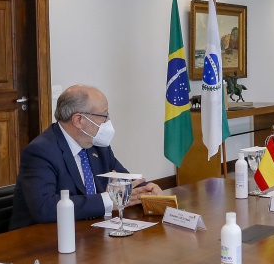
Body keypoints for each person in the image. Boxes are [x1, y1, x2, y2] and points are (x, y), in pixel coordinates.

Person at [10, 85, 162, 229]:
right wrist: (108, 201)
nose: (108, 121)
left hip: (87, 233)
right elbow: (44, 208)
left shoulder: (98, 145)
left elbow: (125, 180)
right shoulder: (41, 151)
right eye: (104, 115)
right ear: (78, 120)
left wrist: (148, 190)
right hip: (39, 242)